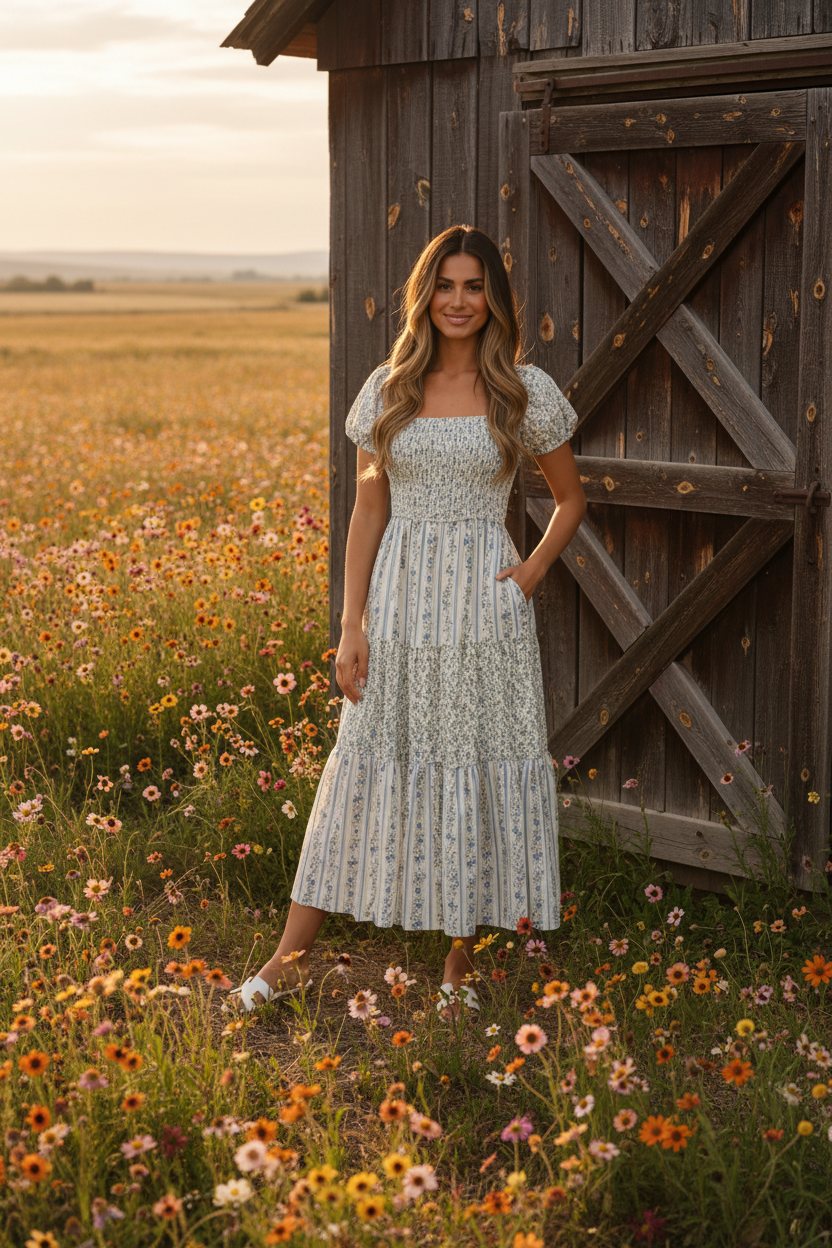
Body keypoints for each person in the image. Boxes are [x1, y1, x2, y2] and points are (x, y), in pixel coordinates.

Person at [231, 224, 587, 1022]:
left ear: (493, 299)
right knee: (361, 762)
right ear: (425, 296)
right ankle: (285, 962)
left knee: (473, 764)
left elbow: (571, 499)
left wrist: (528, 576)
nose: (458, 301)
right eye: (445, 285)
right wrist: (351, 624)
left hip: (485, 612)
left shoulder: (522, 390)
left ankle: (459, 964)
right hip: (398, 606)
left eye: (474, 287)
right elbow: (368, 512)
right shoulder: (390, 387)